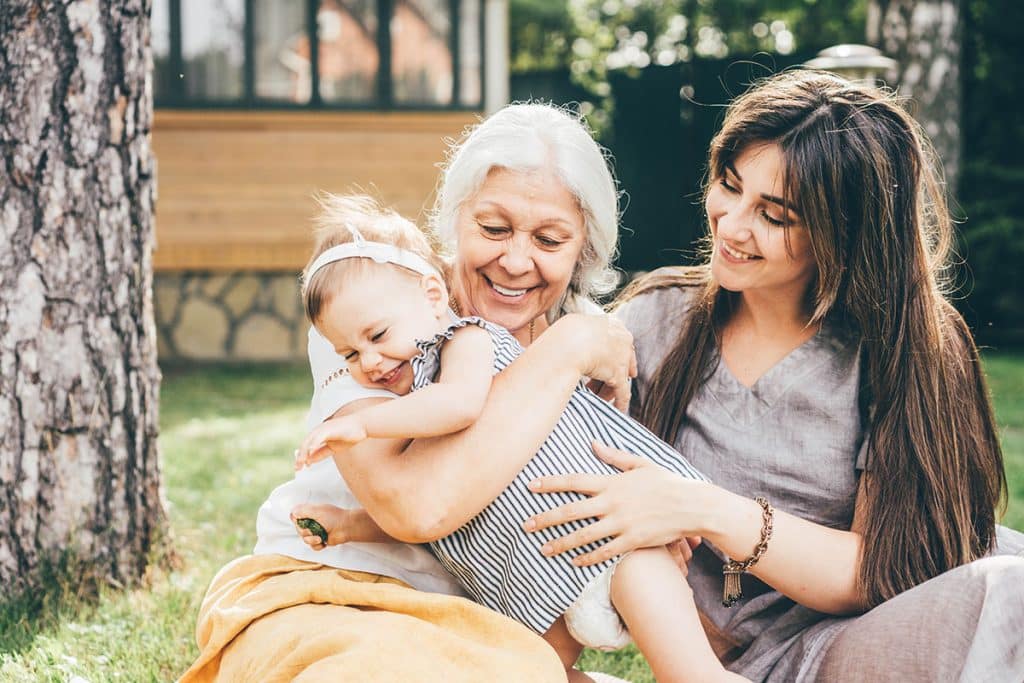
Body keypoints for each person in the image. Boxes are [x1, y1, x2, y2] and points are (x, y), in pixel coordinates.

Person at [517, 70, 1024, 681]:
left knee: (1011, 588)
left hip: (850, 644)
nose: (731, 226)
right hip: (723, 664)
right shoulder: (653, 323)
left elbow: (880, 575)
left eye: (774, 215)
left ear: (844, 234)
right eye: (728, 186)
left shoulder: (904, 352)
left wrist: (701, 508)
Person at [181, 102, 643, 683]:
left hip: (467, 630)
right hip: (325, 592)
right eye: (493, 228)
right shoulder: (372, 318)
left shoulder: (587, 349)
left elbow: (555, 560)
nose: (516, 260)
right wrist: (569, 348)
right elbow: (416, 507)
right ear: (455, 220)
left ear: (585, 249)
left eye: (549, 239)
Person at [290, 194, 735, 682]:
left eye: (377, 336)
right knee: (528, 672)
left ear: (433, 298)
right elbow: (430, 503)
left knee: (690, 672)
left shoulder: (465, 342)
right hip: (535, 577)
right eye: (349, 356)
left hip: (613, 542)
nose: (369, 364)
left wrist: (365, 424)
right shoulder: (411, 404)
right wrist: (352, 525)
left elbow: (460, 405)